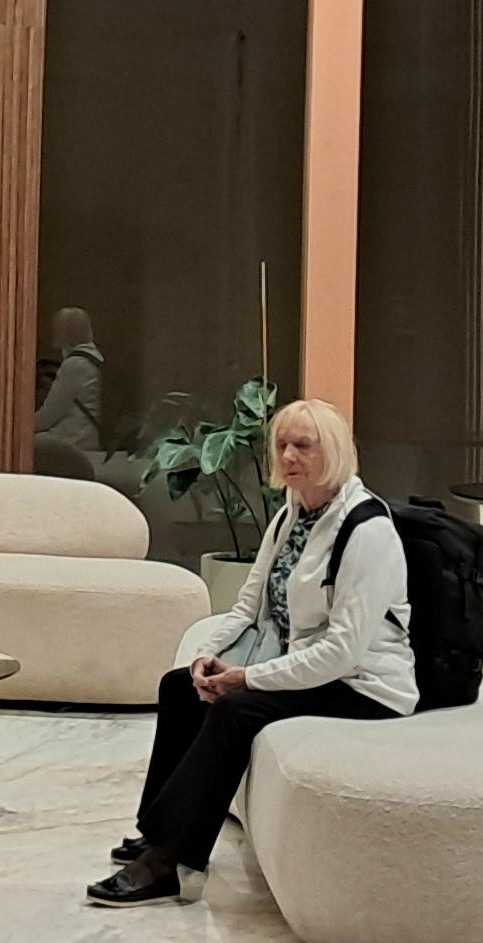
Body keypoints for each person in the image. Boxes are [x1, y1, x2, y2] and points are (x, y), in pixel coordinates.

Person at [90, 395, 408, 906]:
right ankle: (157, 833)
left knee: (236, 709)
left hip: (363, 685)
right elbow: (248, 605)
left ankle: (167, 862)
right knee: (180, 687)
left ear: (333, 450)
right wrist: (207, 655)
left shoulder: (367, 530)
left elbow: (342, 652)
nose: (288, 456)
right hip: (312, 667)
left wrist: (247, 678)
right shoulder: (292, 514)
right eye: (281, 445)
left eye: (303, 446)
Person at [34, 308, 105, 467]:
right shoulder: (92, 358)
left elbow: (49, 415)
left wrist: (20, 427)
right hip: (85, 436)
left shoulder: (75, 364)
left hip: (74, 438)